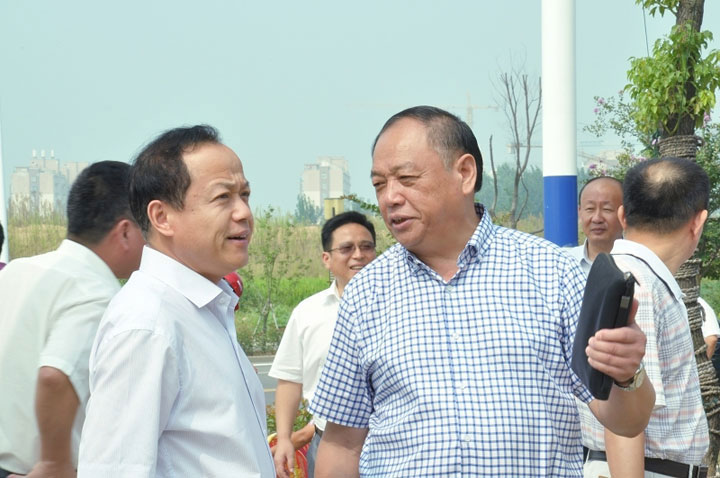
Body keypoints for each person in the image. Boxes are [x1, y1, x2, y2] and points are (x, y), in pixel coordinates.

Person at [309, 106, 654, 477]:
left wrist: (627, 374)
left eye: (406, 178)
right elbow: (342, 444)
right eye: (379, 184)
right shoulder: (366, 293)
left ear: (465, 173)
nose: (390, 197)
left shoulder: (552, 273)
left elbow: (625, 421)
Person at [77, 125, 275, 477]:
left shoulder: (204, 309)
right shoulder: (147, 324)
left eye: (245, 195)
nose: (244, 212)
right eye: (223, 197)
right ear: (162, 217)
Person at [0, 161, 144, 478]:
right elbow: (56, 375)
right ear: (125, 232)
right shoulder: (95, 293)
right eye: (147, 230)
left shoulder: (18, 270)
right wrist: (55, 463)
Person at [580, 157, 710, 478]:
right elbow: (623, 413)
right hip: (645, 470)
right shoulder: (638, 284)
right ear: (698, 222)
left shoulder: (629, 274)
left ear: (623, 215)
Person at [269, 211, 377, 478]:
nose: (358, 255)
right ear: (326, 259)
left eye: (366, 247)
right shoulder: (308, 313)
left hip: (388, 445)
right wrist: (285, 437)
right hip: (327, 444)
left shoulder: (400, 307)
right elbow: (290, 379)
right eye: (346, 248)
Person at [566, 176, 624, 275]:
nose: (597, 219)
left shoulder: (639, 263)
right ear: (580, 212)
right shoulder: (565, 262)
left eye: (607, 209)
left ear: (623, 214)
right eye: (590, 209)